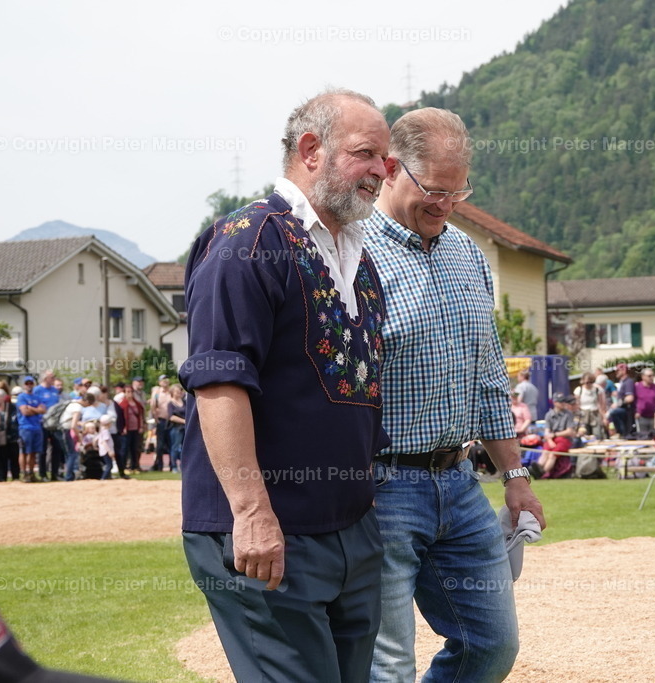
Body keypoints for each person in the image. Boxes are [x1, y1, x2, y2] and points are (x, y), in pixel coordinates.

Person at [180, 89, 391, 682]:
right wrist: (250, 512)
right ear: (310, 150)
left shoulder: (359, 259)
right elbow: (219, 382)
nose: (380, 171)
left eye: (386, 160)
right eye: (365, 153)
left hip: (348, 529)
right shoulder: (247, 243)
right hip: (268, 532)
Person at [361, 106, 545, 682]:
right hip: (382, 487)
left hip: (461, 481)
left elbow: (489, 376)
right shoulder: (350, 252)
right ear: (392, 169)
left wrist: (515, 476)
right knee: (388, 665)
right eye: (434, 190)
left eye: (458, 190)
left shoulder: (468, 254)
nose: (446, 204)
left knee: (491, 645)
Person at [537, 393, 576, 479]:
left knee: (552, 455)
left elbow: (569, 432)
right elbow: (547, 432)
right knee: (545, 453)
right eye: (560, 402)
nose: (563, 403)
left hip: (565, 439)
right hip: (551, 439)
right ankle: (537, 470)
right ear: (554, 402)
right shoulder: (549, 415)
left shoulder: (568, 414)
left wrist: (554, 435)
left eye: (564, 402)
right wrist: (550, 441)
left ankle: (543, 474)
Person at [15, 376, 45, 483]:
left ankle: (31, 473)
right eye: (27, 383)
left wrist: (31, 408)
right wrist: (36, 410)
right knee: (24, 452)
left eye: (30, 383)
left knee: (33, 452)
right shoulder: (21, 397)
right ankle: (23, 473)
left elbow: (43, 410)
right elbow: (25, 412)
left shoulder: (37, 397)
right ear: (24, 385)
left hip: (37, 427)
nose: (29, 385)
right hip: (25, 428)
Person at [574, 371, 606, 440]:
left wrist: (604, 417)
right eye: (586, 382)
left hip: (595, 413)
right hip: (583, 414)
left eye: (591, 382)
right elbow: (576, 404)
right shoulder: (579, 390)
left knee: (597, 433)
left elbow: (601, 404)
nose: (588, 384)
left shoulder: (597, 389)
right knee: (585, 433)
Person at [149, 375, 172, 471]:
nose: (165, 381)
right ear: (159, 382)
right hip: (161, 420)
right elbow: (152, 406)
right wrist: (156, 418)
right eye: (163, 380)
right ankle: (159, 465)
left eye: (166, 379)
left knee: (171, 444)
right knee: (160, 445)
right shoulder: (157, 393)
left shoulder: (171, 392)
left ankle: (172, 465)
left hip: (171, 421)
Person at [633, 368, 655, 437]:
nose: (652, 378)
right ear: (643, 377)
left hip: (654, 417)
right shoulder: (637, 386)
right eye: (649, 376)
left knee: (654, 436)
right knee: (643, 437)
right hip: (641, 417)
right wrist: (635, 411)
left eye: (652, 375)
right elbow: (633, 400)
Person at [166, 384, 186, 472]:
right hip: (176, 428)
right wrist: (184, 421)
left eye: (180, 391)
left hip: (185, 428)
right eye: (177, 391)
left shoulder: (184, 402)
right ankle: (174, 466)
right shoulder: (171, 404)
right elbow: (171, 417)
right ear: (172, 392)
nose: (179, 393)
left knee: (185, 447)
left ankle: (183, 466)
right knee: (175, 447)